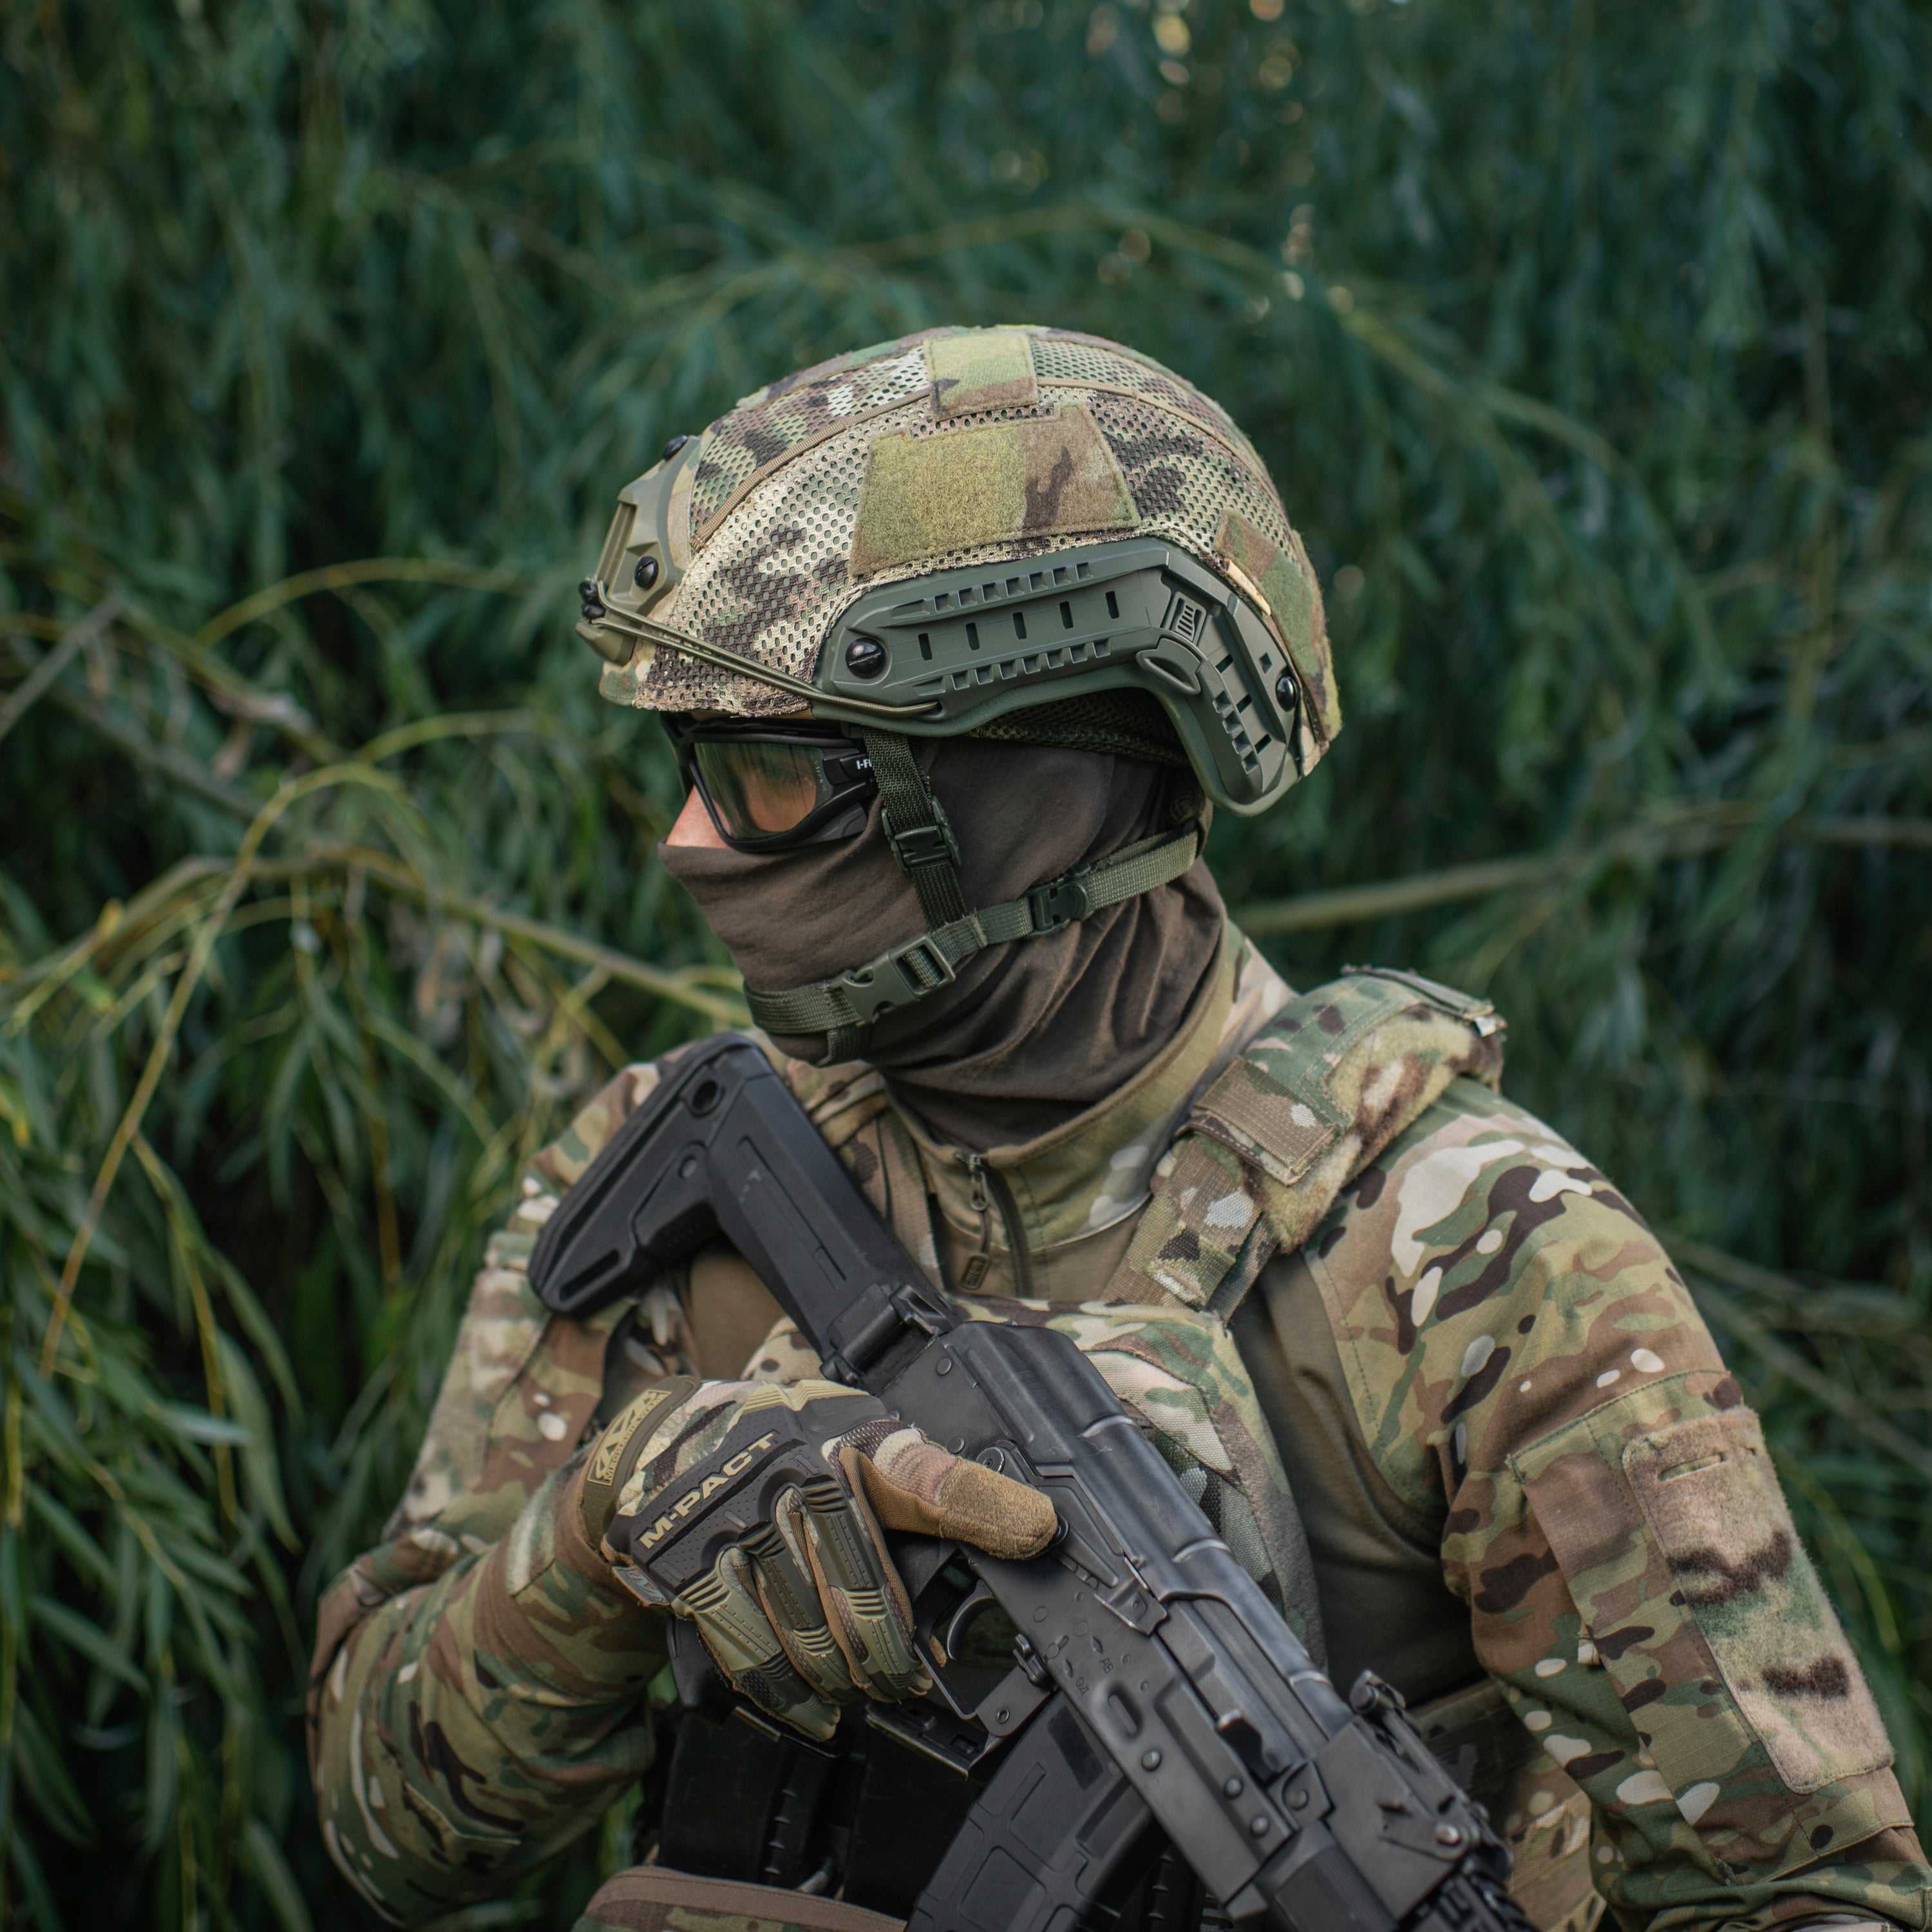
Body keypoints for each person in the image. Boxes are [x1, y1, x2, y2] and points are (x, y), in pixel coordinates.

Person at [308, 326, 1928, 1932]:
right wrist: (608, 1532)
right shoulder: (676, 1176)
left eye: (772, 781)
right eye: (689, 764)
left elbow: (1813, 1898)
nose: (687, 842)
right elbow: (387, 1827)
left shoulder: (1472, 1255)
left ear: (1022, 797)